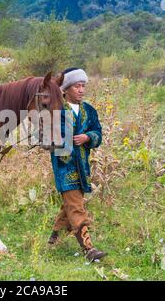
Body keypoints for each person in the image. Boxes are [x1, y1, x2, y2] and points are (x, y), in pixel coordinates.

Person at [49, 68, 107, 262]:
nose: (81, 90)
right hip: (64, 166)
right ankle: (89, 249)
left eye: (83, 86)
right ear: (65, 89)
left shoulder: (89, 111)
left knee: (70, 205)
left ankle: (53, 240)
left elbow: (98, 134)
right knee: (76, 206)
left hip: (82, 166)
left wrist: (88, 137)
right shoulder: (56, 110)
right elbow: (45, 137)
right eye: (77, 86)